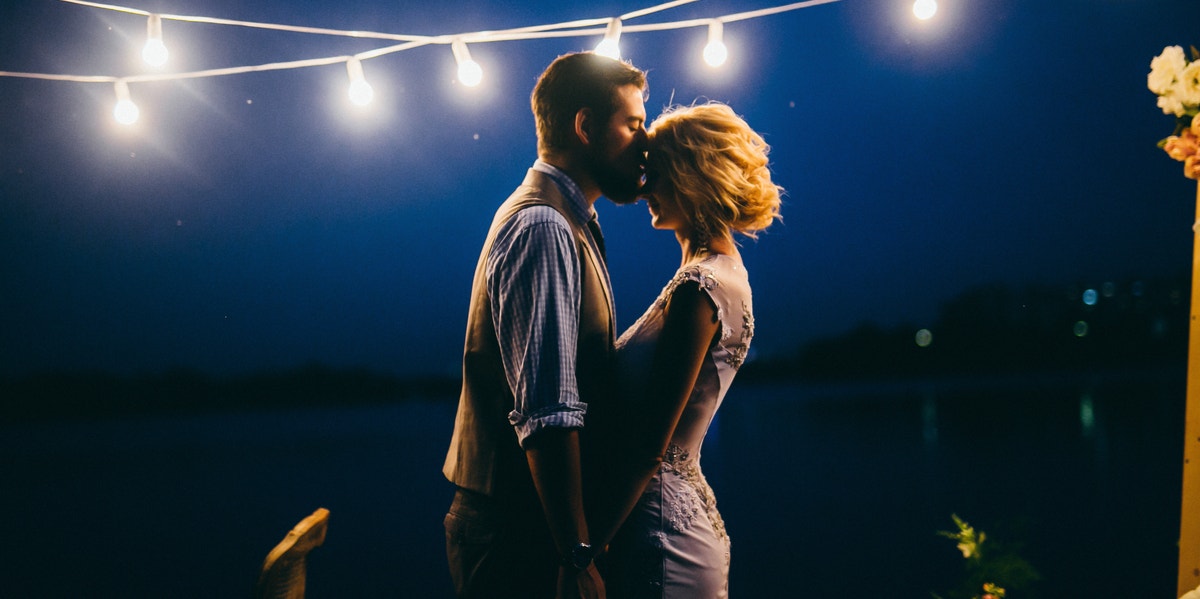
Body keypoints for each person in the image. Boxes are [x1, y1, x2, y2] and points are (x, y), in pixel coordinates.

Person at [442, 51, 647, 599]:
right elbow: (547, 411)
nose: (645, 142)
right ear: (585, 127)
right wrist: (574, 555)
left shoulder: (563, 218)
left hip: (526, 523)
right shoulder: (544, 225)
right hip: (517, 532)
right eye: (632, 124)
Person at [586, 103, 783, 598]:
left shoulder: (701, 287)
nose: (643, 188)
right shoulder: (717, 273)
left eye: (657, 174)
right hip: (664, 518)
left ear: (692, 178)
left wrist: (582, 549)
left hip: (662, 535)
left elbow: (651, 445)